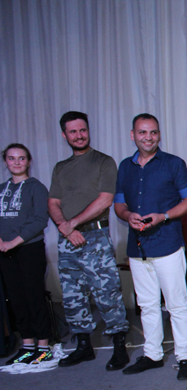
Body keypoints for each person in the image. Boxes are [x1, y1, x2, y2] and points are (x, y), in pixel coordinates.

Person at [114, 114, 187, 379]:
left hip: (168, 245)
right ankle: (152, 355)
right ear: (133, 135)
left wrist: (164, 216)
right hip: (137, 248)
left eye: (153, 132)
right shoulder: (125, 167)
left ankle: (186, 357)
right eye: (142, 132)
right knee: (147, 305)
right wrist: (127, 215)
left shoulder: (173, 164)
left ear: (159, 135)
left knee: (177, 305)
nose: (148, 137)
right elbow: (119, 204)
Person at [49, 111, 129, 369]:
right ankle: (83, 346)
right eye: (73, 131)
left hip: (95, 237)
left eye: (82, 130)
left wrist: (72, 224)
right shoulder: (60, 168)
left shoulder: (103, 161)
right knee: (72, 295)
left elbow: (105, 200)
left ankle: (120, 347)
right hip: (67, 239)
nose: (79, 135)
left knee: (107, 293)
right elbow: (53, 203)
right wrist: (65, 228)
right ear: (65, 135)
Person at [0, 144, 53, 365]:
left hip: (29, 249)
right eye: (12, 158)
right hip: (5, 251)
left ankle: (43, 346)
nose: (17, 162)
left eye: (21, 158)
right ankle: (27, 344)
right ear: (6, 161)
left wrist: (14, 242)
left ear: (29, 161)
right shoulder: (2, 189)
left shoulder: (36, 188)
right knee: (16, 299)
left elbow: (40, 220)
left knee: (34, 297)